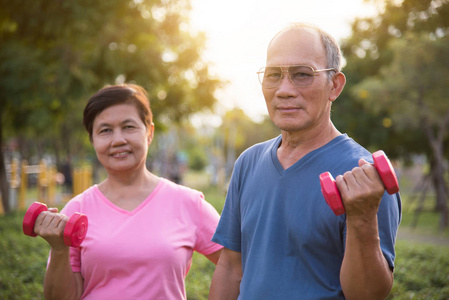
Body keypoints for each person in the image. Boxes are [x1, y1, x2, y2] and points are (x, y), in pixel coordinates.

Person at [209, 23, 401, 300]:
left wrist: (362, 217)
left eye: (302, 75)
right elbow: (230, 267)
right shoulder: (248, 163)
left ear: (334, 85)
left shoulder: (365, 177)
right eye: (274, 75)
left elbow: (368, 295)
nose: (284, 90)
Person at [34, 84, 223, 299]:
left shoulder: (188, 203)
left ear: (149, 132)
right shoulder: (76, 209)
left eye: (128, 127)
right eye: (105, 130)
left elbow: (236, 267)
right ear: (93, 140)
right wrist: (60, 250)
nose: (118, 140)